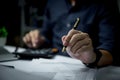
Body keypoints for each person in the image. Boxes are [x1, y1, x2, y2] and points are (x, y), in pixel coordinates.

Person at [22, 0, 119, 68]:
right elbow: (46, 34)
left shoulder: (105, 4)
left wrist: (92, 57)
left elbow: (111, 52)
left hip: (88, 67)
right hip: (52, 63)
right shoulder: (53, 2)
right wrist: (38, 38)